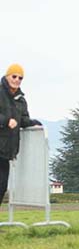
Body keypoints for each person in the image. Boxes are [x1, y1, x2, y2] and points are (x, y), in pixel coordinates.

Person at [0, 63, 42, 207]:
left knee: (2, 187)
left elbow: (23, 120)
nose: (17, 80)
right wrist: (6, 121)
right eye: (14, 76)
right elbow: (8, 120)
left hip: (6, 152)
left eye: (20, 78)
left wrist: (34, 123)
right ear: (7, 76)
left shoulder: (21, 99)